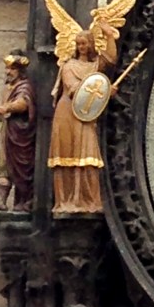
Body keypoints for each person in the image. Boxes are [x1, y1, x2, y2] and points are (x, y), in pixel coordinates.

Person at [47, 26, 117, 214]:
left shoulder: (94, 66)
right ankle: (67, 200)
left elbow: (110, 59)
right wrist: (105, 91)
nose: (81, 47)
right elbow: (73, 88)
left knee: (88, 153)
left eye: (84, 43)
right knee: (68, 153)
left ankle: (88, 200)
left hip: (85, 115)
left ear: (91, 44)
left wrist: (109, 35)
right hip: (68, 111)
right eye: (78, 44)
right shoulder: (68, 66)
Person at [0, 53, 37, 212]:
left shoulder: (25, 86)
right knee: (4, 166)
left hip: (20, 134)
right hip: (7, 132)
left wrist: (6, 107)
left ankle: (26, 201)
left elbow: (23, 104)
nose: (7, 72)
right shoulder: (8, 89)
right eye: (7, 68)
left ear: (20, 71)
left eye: (12, 69)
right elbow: (2, 115)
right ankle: (2, 201)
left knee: (22, 168)